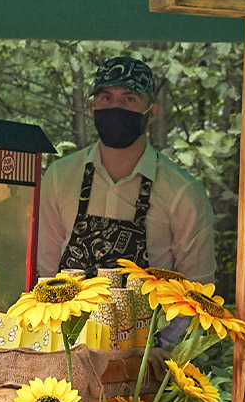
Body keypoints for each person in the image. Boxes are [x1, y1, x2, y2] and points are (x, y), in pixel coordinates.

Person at [37, 55, 216, 285]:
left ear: (152, 112)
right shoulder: (59, 178)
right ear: (92, 108)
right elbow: (47, 274)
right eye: (106, 98)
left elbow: (197, 290)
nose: (116, 107)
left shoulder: (183, 193)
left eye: (129, 99)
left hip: (154, 311)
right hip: (68, 310)